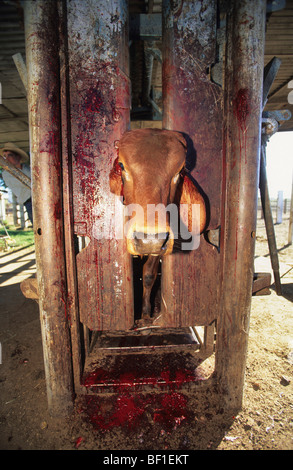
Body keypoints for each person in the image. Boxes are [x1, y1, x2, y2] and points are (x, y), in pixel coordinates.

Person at [0, 142, 33, 224]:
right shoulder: (7, 174)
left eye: (9, 155)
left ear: (18, 156)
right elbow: (26, 184)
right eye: (5, 156)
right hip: (30, 202)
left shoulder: (28, 168)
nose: (6, 159)